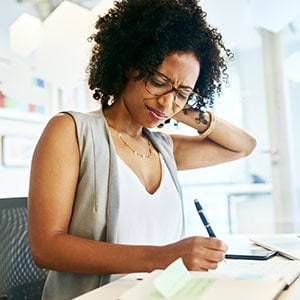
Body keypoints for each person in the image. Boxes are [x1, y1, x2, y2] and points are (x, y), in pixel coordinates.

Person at [28, 0, 256, 299]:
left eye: (184, 93)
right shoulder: (72, 131)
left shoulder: (163, 147)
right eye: (158, 80)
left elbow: (243, 146)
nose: (166, 102)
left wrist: (176, 102)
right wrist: (161, 257)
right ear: (127, 65)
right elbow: (47, 248)